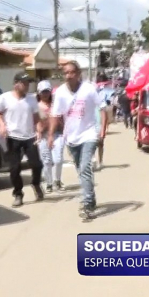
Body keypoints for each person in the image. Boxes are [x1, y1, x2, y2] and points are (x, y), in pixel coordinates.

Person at [48, 61, 108, 219]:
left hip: (89, 134)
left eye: (71, 72)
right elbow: (55, 115)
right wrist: (50, 135)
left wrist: (102, 130)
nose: (68, 76)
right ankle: (92, 198)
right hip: (71, 137)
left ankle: (87, 204)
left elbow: (102, 109)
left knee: (85, 168)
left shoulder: (89, 89)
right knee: (81, 171)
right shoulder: (60, 92)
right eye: (65, 73)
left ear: (78, 73)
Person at [0, 72, 44, 207]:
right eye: (24, 83)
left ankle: (36, 184)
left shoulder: (32, 98)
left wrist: (39, 129)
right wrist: (2, 125)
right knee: (14, 168)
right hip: (13, 137)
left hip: (29, 136)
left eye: (28, 83)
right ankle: (18, 194)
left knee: (37, 164)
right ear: (16, 84)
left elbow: (36, 117)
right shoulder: (5, 98)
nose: (27, 86)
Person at [36, 80, 65, 193]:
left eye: (47, 91)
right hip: (43, 136)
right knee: (46, 161)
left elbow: (62, 120)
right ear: (39, 93)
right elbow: (36, 125)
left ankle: (57, 180)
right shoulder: (36, 107)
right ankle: (49, 183)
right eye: (43, 92)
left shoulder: (56, 105)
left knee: (58, 160)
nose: (45, 94)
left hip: (57, 135)